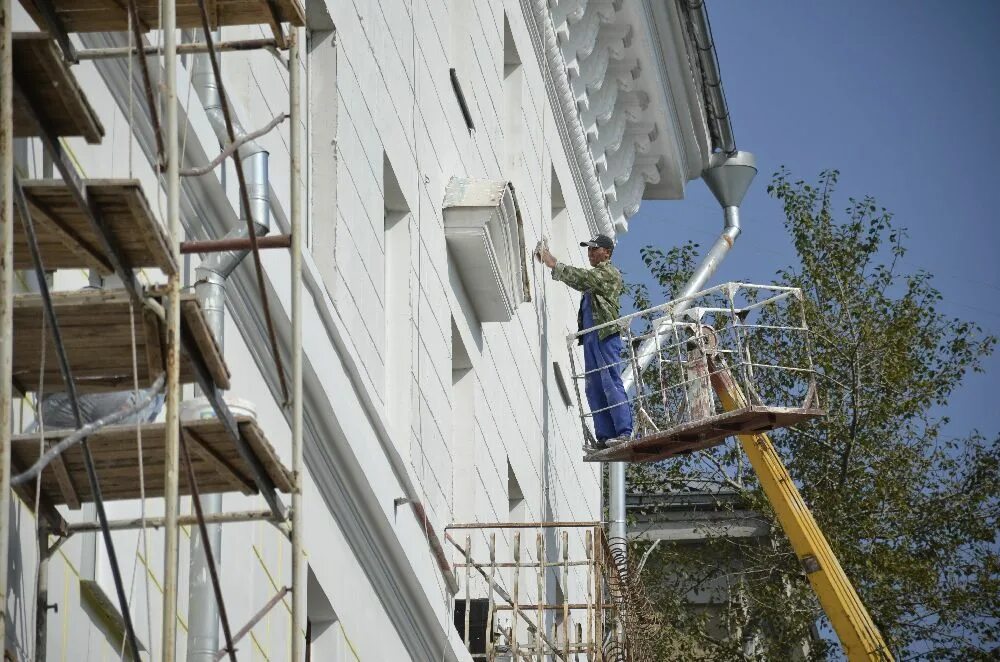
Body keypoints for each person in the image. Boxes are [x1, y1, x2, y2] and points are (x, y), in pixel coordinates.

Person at [537, 234, 633, 449]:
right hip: (592, 336)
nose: (590, 253)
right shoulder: (597, 274)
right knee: (593, 386)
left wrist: (553, 263)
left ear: (606, 252)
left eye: (594, 249)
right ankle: (605, 436)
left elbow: (582, 278)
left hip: (605, 334)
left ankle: (623, 432)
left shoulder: (609, 273)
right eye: (589, 249)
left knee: (610, 381)